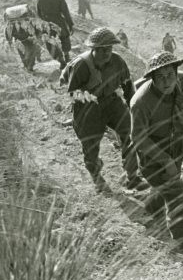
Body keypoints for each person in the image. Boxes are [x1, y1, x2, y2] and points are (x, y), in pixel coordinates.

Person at [60, 27, 148, 194]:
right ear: (93, 49)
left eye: (109, 48)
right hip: (88, 109)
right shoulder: (81, 65)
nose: (106, 52)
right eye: (101, 49)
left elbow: (128, 86)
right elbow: (73, 93)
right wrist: (89, 98)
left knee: (130, 134)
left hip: (112, 103)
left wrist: (134, 108)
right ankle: (96, 176)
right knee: (90, 145)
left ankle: (132, 177)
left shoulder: (118, 62)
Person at [130, 51, 183, 240]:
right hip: (152, 153)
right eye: (160, 77)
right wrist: (165, 160)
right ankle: (182, 239)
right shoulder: (141, 102)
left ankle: (152, 208)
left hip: (176, 144)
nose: (167, 81)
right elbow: (138, 138)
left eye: (170, 75)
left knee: (165, 185)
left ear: (176, 72)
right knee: (176, 193)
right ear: (151, 78)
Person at [37, 0, 74, 70]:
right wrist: (70, 24)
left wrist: (45, 21)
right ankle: (67, 57)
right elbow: (65, 12)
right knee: (64, 38)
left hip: (47, 23)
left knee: (50, 43)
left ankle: (61, 60)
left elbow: (38, 13)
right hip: (59, 21)